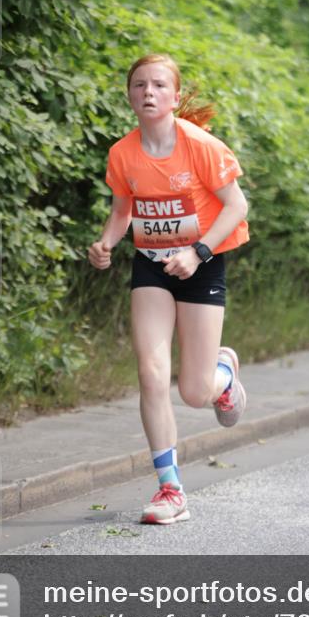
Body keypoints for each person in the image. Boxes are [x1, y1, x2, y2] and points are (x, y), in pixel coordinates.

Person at [88, 54, 250, 525]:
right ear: (130, 95)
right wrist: (105, 243)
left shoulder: (199, 145)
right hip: (152, 268)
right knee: (151, 373)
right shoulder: (123, 153)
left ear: (175, 97)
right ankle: (170, 490)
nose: (149, 92)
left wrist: (198, 251)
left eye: (159, 85)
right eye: (139, 85)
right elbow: (122, 212)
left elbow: (237, 206)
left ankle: (223, 371)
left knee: (194, 392)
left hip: (202, 264)